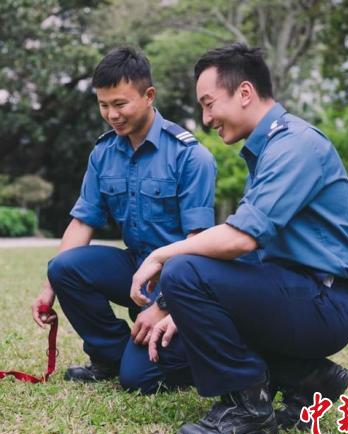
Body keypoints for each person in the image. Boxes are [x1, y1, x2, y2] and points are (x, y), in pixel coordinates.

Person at [130, 44, 348, 434]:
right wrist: (178, 308)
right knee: (175, 342)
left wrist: (160, 254)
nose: (206, 119)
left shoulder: (295, 145)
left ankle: (248, 410)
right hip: (292, 290)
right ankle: (309, 378)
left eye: (209, 104)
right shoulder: (267, 152)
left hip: (325, 301)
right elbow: (250, 253)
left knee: (182, 269)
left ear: (244, 92)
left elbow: (242, 238)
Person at [31, 47, 217, 395]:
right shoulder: (103, 152)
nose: (111, 115)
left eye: (120, 104)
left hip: (179, 277)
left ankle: (186, 353)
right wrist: (48, 288)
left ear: (149, 96)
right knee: (64, 267)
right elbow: (83, 222)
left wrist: (164, 305)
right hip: (135, 267)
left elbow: (198, 245)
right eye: (103, 105)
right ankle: (112, 355)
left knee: (138, 380)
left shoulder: (191, 157)